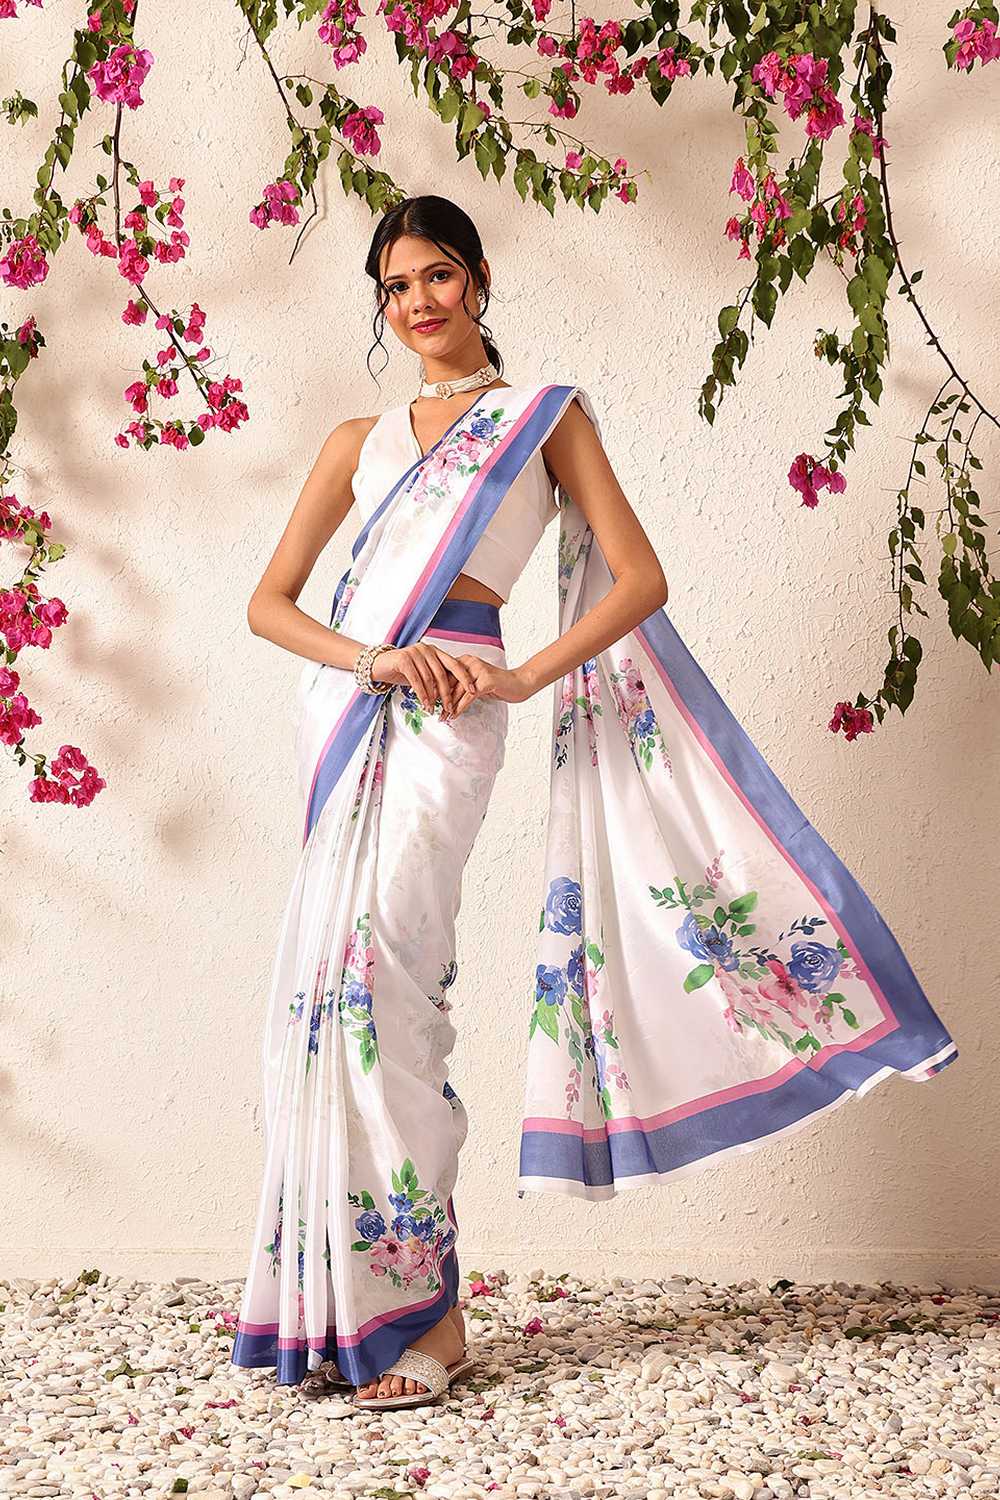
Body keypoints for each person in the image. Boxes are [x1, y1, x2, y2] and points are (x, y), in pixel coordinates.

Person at [230, 195, 957, 1413]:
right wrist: (372, 660)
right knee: (323, 995)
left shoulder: (543, 419)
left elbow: (638, 578)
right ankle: (345, 1306)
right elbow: (270, 603)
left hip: (454, 711)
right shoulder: (356, 439)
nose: (418, 302)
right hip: (354, 710)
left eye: (438, 274)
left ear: (478, 279)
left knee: (389, 984)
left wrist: (518, 674)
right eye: (396, 285)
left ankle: (432, 1317)